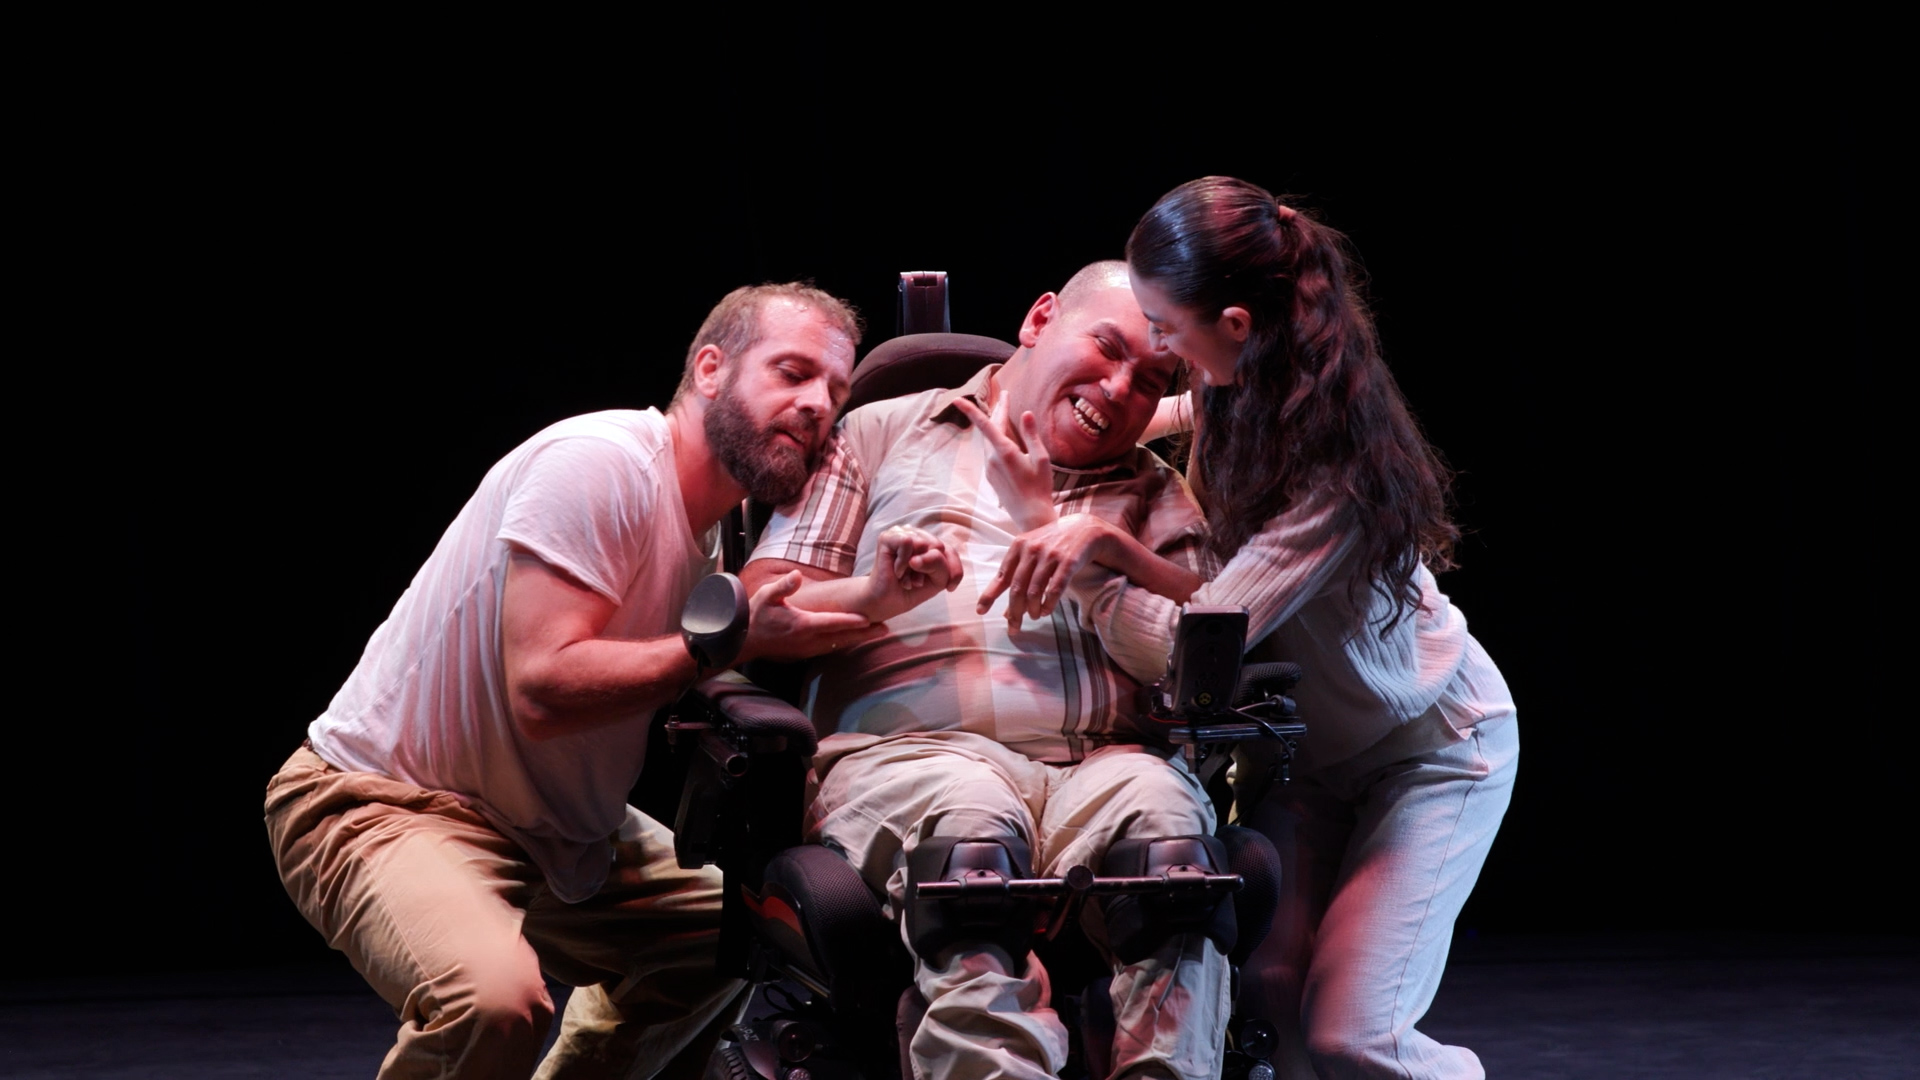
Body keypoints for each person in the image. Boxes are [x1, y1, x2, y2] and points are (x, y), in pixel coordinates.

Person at [263, 283, 924, 1080]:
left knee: (733, 939)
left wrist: (880, 595)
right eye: (792, 372)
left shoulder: (709, 533)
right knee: (492, 1004)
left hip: (554, 832)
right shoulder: (602, 464)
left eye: (836, 391)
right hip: (388, 800)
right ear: (710, 369)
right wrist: (724, 645)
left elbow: (765, 616)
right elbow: (543, 688)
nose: (818, 404)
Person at [975, 178, 1519, 1080]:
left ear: (1233, 322)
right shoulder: (1236, 382)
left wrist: (1089, 553)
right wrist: (999, 407)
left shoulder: (1332, 478)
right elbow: (1129, 421)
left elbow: (1202, 638)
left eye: (1161, 326)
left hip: (1430, 749)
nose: (1153, 346)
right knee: (1264, 993)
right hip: (1314, 759)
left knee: (1354, 1035)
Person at [742, 261, 1230, 1080]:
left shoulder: (1153, 493)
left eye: (1151, 380)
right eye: (1107, 348)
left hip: (1101, 766)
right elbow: (762, 613)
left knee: (1170, 848)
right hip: (913, 758)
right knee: (968, 842)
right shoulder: (881, 433)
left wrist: (1095, 555)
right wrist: (874, 596)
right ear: (1040, 319)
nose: (1119, 389)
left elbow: (1200, 661)